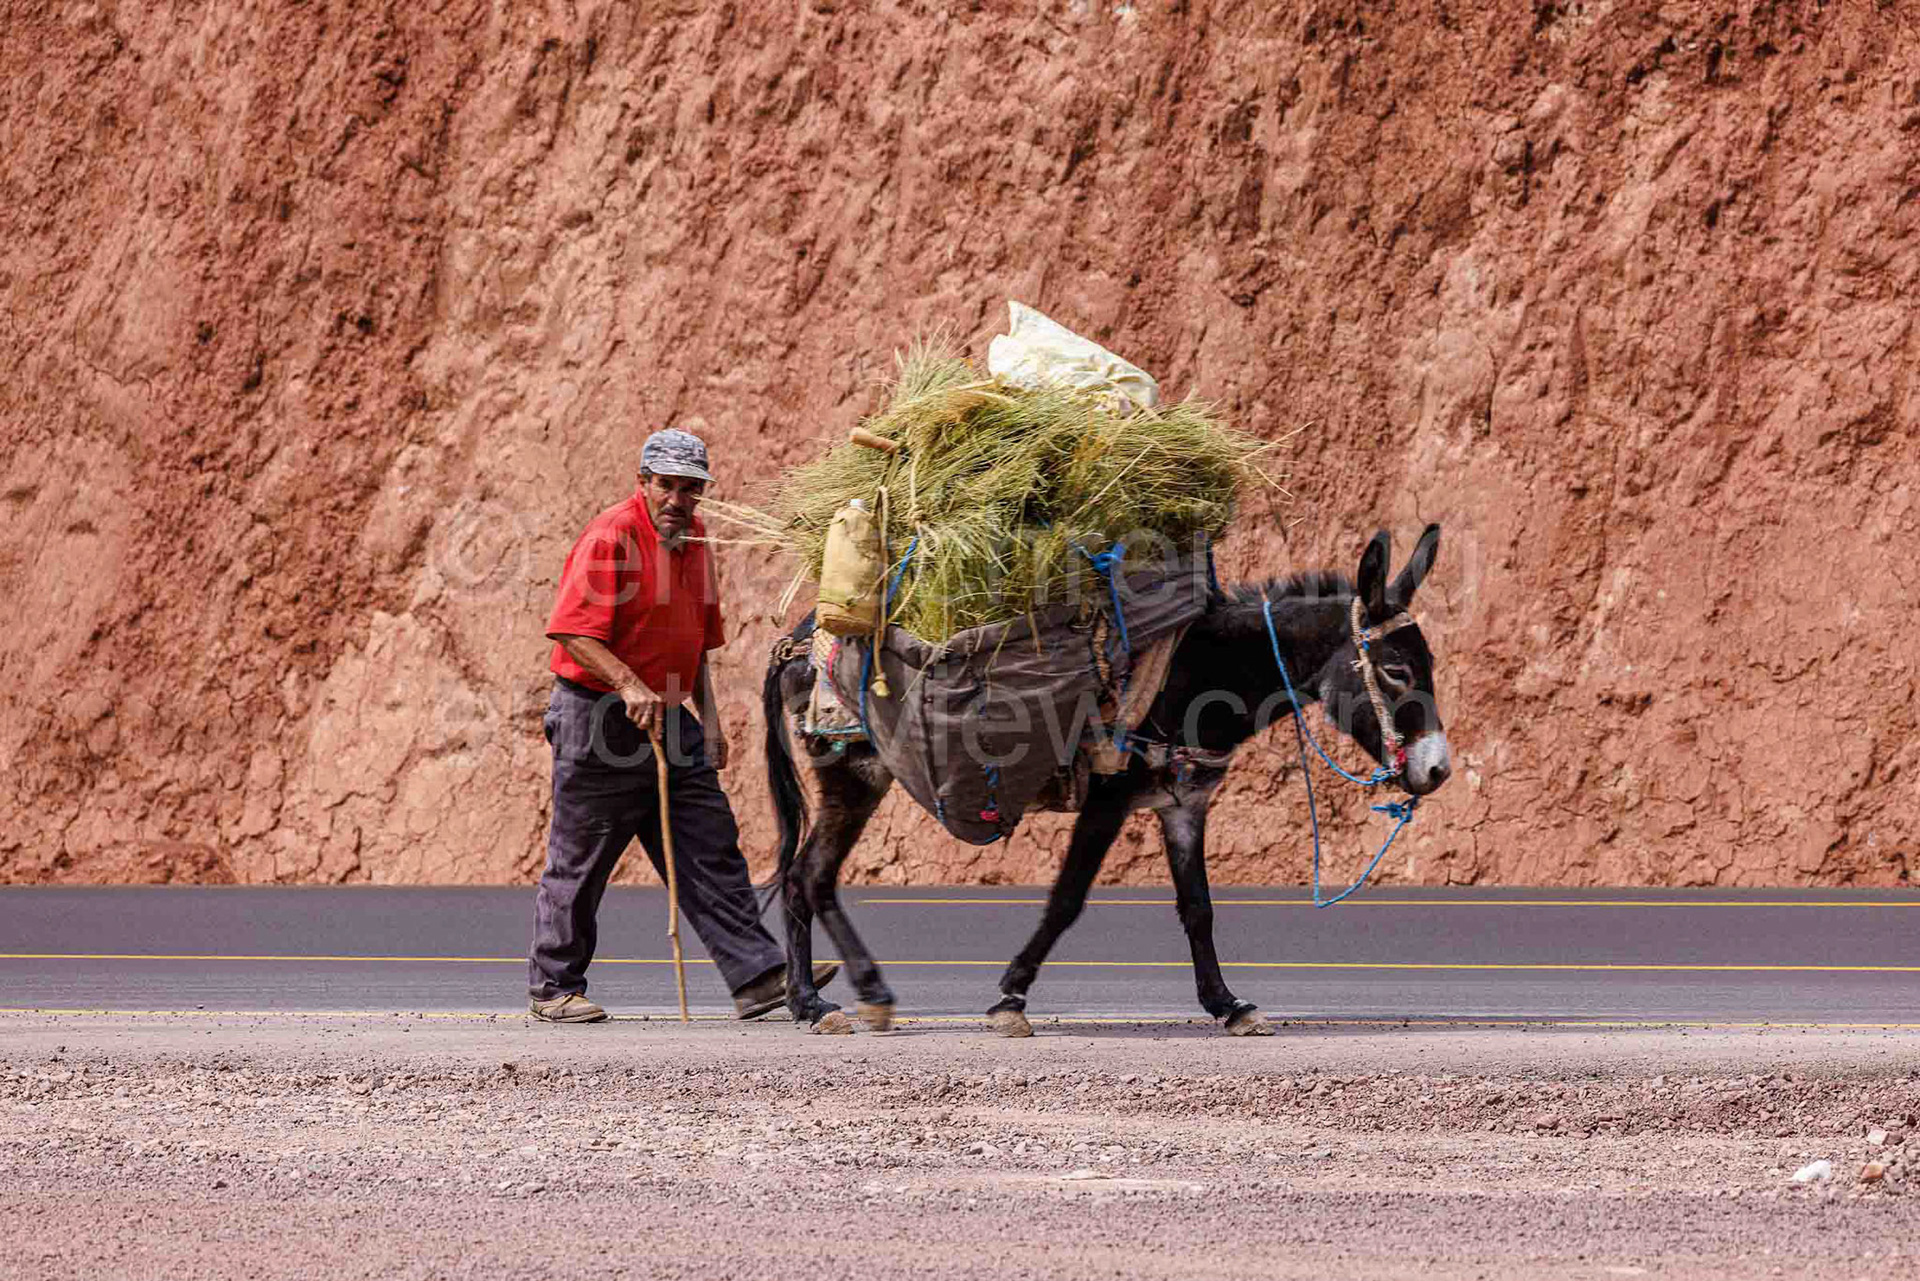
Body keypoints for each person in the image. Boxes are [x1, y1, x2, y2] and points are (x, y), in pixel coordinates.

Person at [527, 428, 833, 1022]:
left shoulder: (696, 546)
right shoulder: (610, 536)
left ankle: (757, 976)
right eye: (666, 485)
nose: (678, 499)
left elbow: (696, 646)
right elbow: (572, 630)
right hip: (597, 715)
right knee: (582, 855)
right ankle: (553, 988)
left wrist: (710, 721)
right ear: (643, 482)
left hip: (669, 715)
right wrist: (628, 685)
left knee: (711, 844)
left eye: (690, 489)